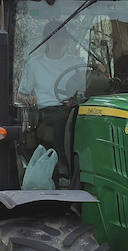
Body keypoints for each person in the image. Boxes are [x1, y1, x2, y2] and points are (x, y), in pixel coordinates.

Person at [18, 23, 89, 162]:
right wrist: (30, 99)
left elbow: (87, 85)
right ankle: (62, 165)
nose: (58, 41)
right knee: (62, 121)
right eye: (54, 38)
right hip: (47, 112)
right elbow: (21, 94)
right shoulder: (35, 64)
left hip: (75, 108)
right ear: (47, 40)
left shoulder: (77, 62)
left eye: (62, 37)